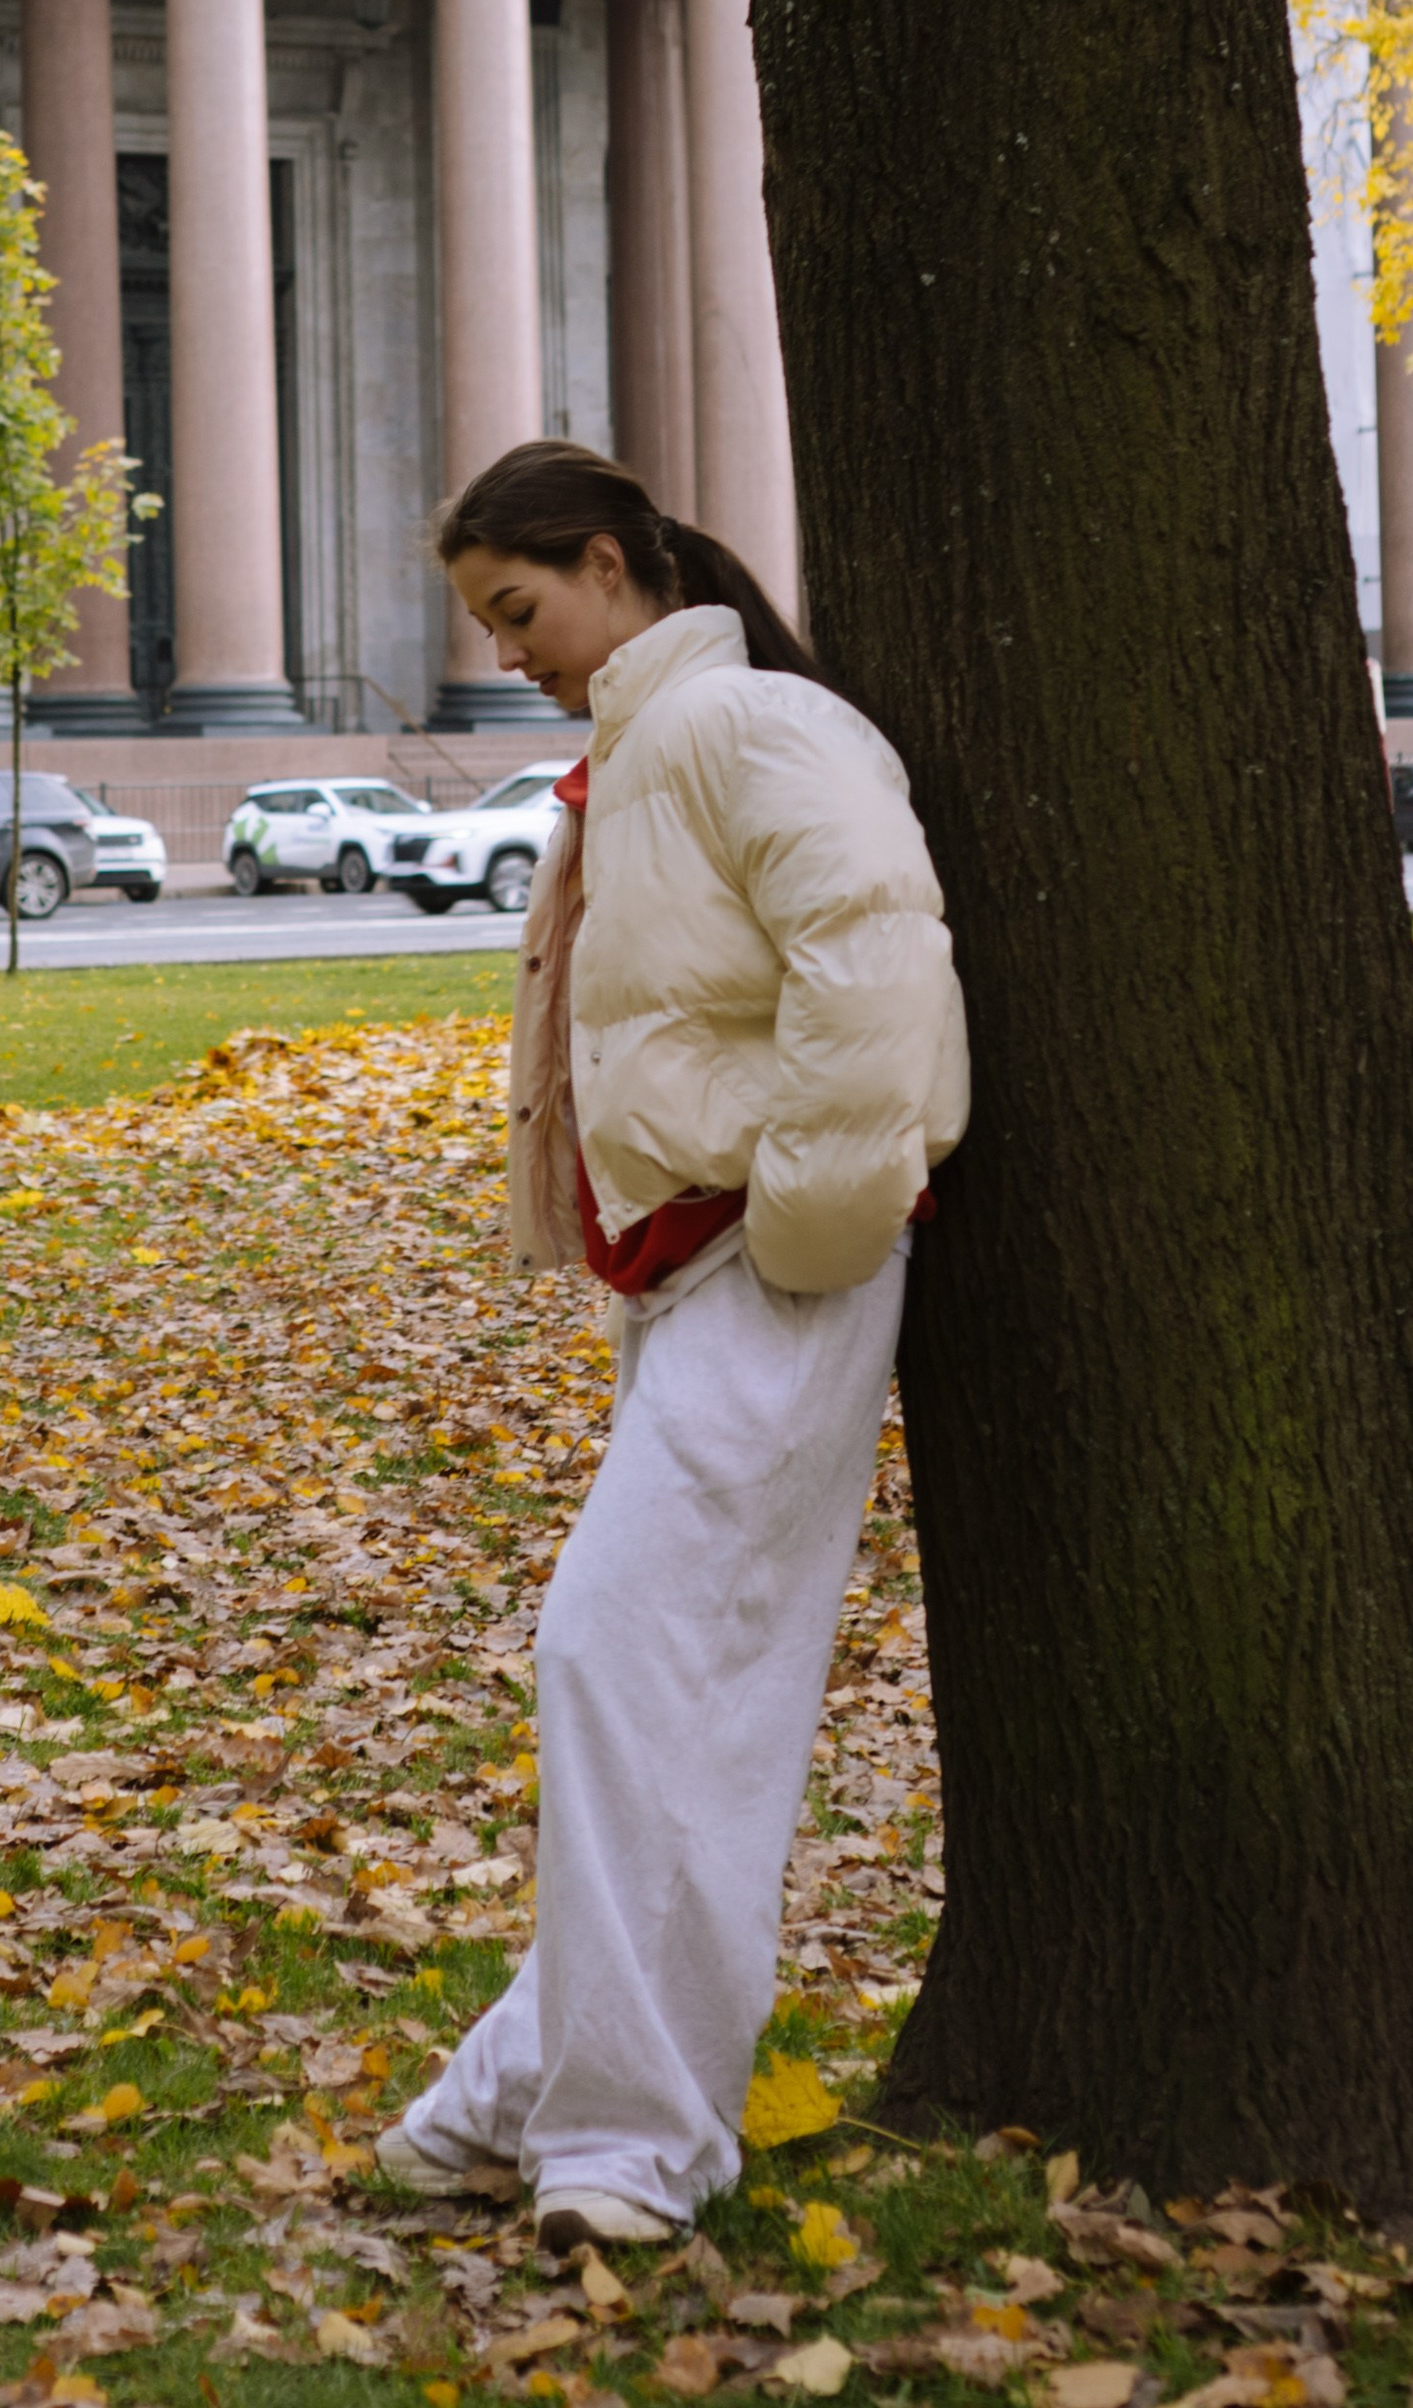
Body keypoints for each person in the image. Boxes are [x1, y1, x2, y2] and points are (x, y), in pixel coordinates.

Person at [376, 440, 969, 2250]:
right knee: (662, 1687)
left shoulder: (747, 724)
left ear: (612, 563)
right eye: (489, 625)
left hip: (771, 1267)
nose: (509, 654)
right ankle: (517, 2096)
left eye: (521, 610)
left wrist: (805, 1228)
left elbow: (877, 965)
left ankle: (628, 2145)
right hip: (692, 1273)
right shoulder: (645, 751)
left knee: (621, 1657)